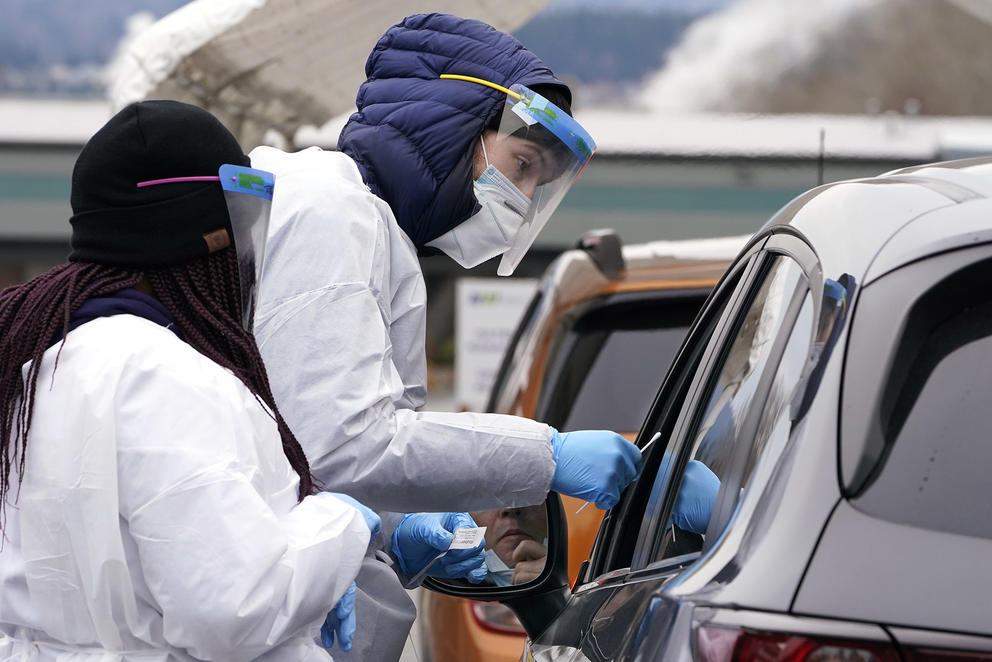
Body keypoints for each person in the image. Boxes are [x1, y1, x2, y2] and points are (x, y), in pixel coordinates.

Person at [248, 13, 642, 661]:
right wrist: (546, 456)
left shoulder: (368, 226)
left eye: (536, 184)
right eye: (520, 165)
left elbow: (304, 437)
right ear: (454, 122)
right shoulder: (333, 216)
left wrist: (402, 526)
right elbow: (341, 444)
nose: (520, 197)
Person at [0, 100, 376, 661]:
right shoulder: (164, 377)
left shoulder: (37, 359)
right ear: (208, 238)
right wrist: (342, 525)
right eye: (243, 221)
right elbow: (233, 608)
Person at [470, 505, 549, 586]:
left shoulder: (560, 565)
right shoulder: (460, 593)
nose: (510, 509)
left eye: (528, 496)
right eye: (488, 499)